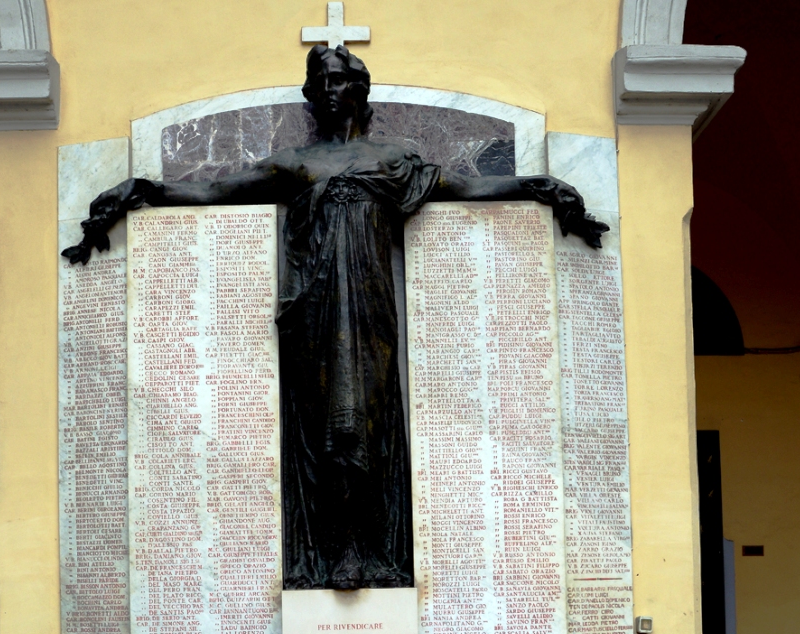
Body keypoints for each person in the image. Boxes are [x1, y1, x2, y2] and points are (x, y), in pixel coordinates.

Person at [64, 45, 608, 590]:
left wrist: (546, 188)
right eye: (319, 83)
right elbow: (211, 189)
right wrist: (141, 190)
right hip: (315, 312)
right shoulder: (295, 163)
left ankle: (373, 547)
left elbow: (469, 188)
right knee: (329, 426)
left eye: (338, 81)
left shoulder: (392, 160)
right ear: (310, 95)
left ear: (358, 90)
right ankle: (339, 549)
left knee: (367, 423)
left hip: (371, 310)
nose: (328, 91)